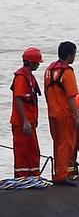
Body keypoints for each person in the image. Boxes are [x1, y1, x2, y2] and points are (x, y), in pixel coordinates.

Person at [44, 41, 79, 185]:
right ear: (70, 55)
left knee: (58, 143)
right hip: (64, 114)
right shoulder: (66, 72)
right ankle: (61, 175)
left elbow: (47, 94)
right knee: (66, 144)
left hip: (52, 113)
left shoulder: (49, 70)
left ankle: (58, 172)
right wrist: (77, 117)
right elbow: (71, 97)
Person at [10, 47, 43, 179]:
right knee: (22, 151)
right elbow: (18, 98)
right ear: (30, 62)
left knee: (34, 151)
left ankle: (34, 176)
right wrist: (25, 121)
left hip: (30, 122)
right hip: (22, 123)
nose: (38, 65)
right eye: (37, 62)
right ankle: (22, 178)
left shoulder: (29, 77)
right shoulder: (21, 77)